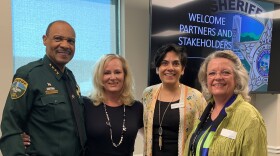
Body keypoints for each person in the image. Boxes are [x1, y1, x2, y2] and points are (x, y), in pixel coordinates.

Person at [0, 20, 87, 155]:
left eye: (71, 41)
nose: (65, 45)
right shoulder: (28, 75)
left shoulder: (70, 77)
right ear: (45, 40)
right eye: (58, 39)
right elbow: (11, 127)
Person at [184, 50, 267, 156]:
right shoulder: (206, 110)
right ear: (206, 80)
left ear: (237, 79)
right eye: (212, 73)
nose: (218, 77)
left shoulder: (251, 117)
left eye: (225, 72)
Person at [142, 43, 207, 156]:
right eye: (164, 63)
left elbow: (205, 133)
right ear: (157, 69)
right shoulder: (148, 94)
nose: (170, 68)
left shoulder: (196, 97)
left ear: (182, 69)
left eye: (176, 63)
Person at [83, 54, 143, 156]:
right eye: (106, 73)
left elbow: (150, 138)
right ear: (99, 76)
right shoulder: (86, 104)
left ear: (125, 75)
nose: (112, 77)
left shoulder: (136, 107)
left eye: (117, 72)